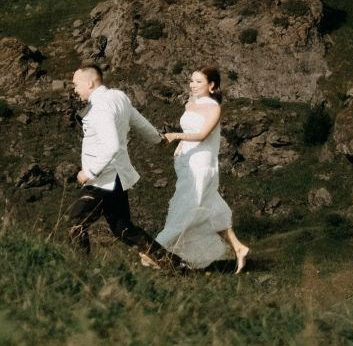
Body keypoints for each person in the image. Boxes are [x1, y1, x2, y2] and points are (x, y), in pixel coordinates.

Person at [68, 64, 181, 267]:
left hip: (102, 179)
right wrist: (158, 138)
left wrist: (89, 172)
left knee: (76, 222)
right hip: (117, 176)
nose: (75, 90)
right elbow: (138, 120)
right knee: (124, 230)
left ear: (90, 83)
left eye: (76, 84)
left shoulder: (100, 106)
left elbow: (111, 146)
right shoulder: (118, 97)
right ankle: (176, 266)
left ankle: (81, 271)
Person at [150, 67, 250, 273]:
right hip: (186, 161)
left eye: (198, 82)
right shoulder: (191, 103)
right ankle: (239, 248)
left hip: (201, 163)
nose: (192, 85)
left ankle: (153, 252)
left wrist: (176, 136)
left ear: (211, 85)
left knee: (187, 208)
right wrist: (181, 146)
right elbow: (190, 129)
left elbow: (203, 135)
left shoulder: (214, 108)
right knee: (209, 205)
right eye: (191, 81)